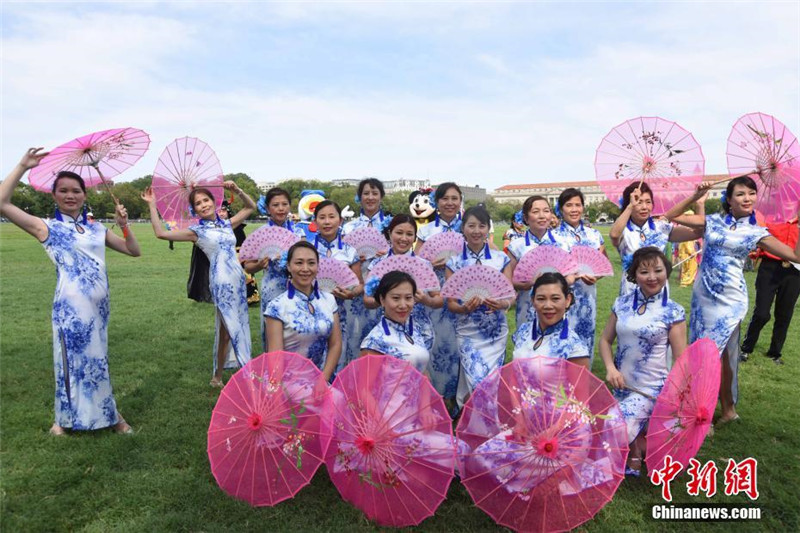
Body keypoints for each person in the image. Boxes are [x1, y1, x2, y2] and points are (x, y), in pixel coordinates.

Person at [0, 148, 141, 435]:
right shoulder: (47, 228)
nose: (70, 195)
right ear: (54, 195)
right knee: (68, 364)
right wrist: (22, 166)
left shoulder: (96, 229)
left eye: (76, 191)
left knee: (98, 361)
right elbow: (2, 203)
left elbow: (133, 251)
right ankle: (64, 421)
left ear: (84, 195)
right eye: (63, 191)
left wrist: (125, 226)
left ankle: (108, 415)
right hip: (71, 310)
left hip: (99, 309)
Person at [664, 177, 800, 425]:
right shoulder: (712, 222)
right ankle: (716, 409)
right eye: (740, 194)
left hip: (730, 302)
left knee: (716, 357)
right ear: (728, 199)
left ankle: (713, 412)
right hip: (703, 298)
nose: (747, 198)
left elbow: (794, 255)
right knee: (713, 356)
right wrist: (696, 197)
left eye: (751, 193)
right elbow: (669, 215)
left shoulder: (757, 232)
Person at [142, 182, 256, 387]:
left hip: (238, 281)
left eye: (206, 200)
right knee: (234, 328)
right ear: (194, 210)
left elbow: (250, 207)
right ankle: (249, 376)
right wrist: (152, 205)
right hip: (221, 283)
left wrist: (236, 189)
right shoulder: (196, 232)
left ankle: (217, 377)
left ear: (214, 202)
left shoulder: (227, 224)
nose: (203, 205)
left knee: (227, 330)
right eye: (198, 203)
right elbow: (161, 234)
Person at [598, 247, 687, 476]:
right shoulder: (622, 303)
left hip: (650, 388)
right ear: (634, 275)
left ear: (667, 272)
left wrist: (675, 396)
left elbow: (681, 359)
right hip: (620, 385)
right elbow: (606, 341)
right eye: (644, 271)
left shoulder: (673, 312)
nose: (652, 277)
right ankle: (636, 449)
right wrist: (610, 368)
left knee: (614, 429)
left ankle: (629, 452)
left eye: (658, 270)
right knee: (602, 427)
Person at [446, 206, 515, 407]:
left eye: (482, 226)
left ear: (488, 229)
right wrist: (464, 308)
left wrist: (502, 303)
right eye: (471, 226)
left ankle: (482, 423)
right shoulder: (454, 262)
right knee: (475, 379)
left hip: (495, 332)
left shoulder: (501, 259)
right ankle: (473, 419)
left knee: (490, 381)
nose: (476, 231)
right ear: (463, 228)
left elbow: (510, 295)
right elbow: (451, 303)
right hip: (467, 332)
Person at [362, 215, 442, 369]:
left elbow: (438, 301)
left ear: (414, 238)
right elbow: (367, 300)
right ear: (390, 233)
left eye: (409, 234)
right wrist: (387, 299)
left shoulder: (424, 264)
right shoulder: (378, 264)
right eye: (399, 233)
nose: (404, 238)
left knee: (419, 375)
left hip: (420, 329)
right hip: (388, 330)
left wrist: (425, 299)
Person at [264, 241, 342, 381]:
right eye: (299, 263)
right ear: (288, 266)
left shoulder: (329, 300)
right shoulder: (277, 306)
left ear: (318, 267)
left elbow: (335, 344)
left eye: (311, 263)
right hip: (288, 383)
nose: (305, 269)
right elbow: (275, 356)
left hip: (323, 378)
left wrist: (324, 378)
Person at [414, 182, 462, 401]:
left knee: (459, 344)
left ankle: (460, 399)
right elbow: (416, 263)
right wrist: (431, 264)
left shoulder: (470, 226)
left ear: (460, 201)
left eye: (454, 198)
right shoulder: (426, 230)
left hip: (462, 293)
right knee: (437, 344)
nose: (450, 203)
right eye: (445, 198)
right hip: (434, 293)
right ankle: (436, 398)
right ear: (437, 202)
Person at [610, 182, 701, 295]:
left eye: (648, 202)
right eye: (638, 202)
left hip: (659, 293)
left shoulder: (660, 227)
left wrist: (697, 200)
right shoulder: (623, 229)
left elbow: (698, 232)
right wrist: (630, 206)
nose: (644, 207)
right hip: (630, 293)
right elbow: (614, 235)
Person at [243, 187, 306, 350]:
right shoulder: (261, 233)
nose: (281, 208)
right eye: (275, 205)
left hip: (299, 287)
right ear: (268, 208)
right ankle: (274, 371)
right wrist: (259, 264)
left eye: (284, 204)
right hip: (272, 288)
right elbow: (248, 267)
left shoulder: (299, 232)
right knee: (273, 332)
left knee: (298, 330)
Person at [341, 178, 391, 374]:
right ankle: (354, 380)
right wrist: (355, 259)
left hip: (383, 286)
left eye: (375, 193)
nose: (370, 197)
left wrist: (387, 253)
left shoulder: (390, 225)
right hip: (356, 285)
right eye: (366, 193)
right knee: (355, 334)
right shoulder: (348, 228)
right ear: (359, 197)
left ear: (381, 196)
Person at [552, 188, 607, 363]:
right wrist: (568, 276)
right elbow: (548, 271)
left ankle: (583, 385)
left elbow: (603, 265)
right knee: (560, 344)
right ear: (560, 209)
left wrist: (595, 277)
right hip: (560, 299)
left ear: (583, 207)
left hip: (588, 299)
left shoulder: (594, 235)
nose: (574, 209)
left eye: (578, 205)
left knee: (585, 344)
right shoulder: (552, 237)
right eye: (569, 205)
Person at [740, 217, 800, 365]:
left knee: (784, 314)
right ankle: (746, 348)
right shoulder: (772, 219)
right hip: (770, 267)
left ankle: (775, 353)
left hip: (794, 272)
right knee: (761, 312)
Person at [310, 200, 363, 366]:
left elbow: (359, 284)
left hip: (340, 311)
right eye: (322, 217)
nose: (327, 222)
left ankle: (334, 391)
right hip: (310, 310)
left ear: (340, 221)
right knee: (312, 355)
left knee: (337, 355)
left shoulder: (350, 250)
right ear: (315, 222)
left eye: (331, 217)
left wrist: (352, 293)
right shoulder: (306, 248)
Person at [361, 271, 434, 373]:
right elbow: (367, 386)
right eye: (396, 298)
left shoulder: (414, 330)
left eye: (408, 298)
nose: (403, 305)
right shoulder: (374, 341)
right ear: (382, 300)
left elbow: (422, 372)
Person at [507, 195, 565, 325]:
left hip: (555, 307)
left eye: (546, 211)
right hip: (527, 307)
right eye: (535, 212)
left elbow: (571, 273)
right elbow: (508, 280)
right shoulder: (516, 245)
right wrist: (526, 284)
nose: (542, 216)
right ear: (526, 218)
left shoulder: (563, 243)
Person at [511, 273, 590, 367]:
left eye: (555, 298)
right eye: (541, 299)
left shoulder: (575, 348)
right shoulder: (523, 331)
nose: (548, 306)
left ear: (567, 300)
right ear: (533, 301)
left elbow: (579, 381)